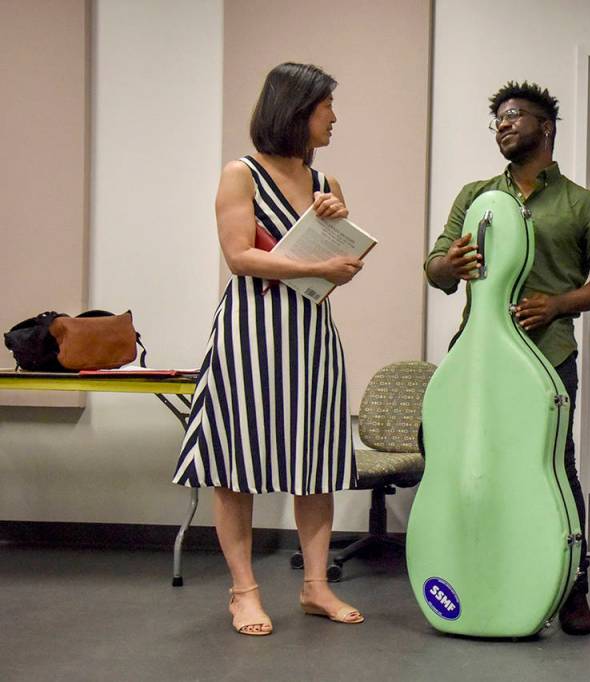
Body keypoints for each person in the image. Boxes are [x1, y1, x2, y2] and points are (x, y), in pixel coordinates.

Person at [424, 81, 590, 635]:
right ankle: (487, 570)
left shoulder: (582, 204)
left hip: (548, 359)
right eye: (496, 119)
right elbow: (435, 269)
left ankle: (572, 589)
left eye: (514, 116)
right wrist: (452, 263)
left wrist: (560, 303)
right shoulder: (475, 197)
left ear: (547, 127)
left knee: (553, 468)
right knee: (465, 460)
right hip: (477, 358)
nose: (503, 125)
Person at [172, 63, 365, 636]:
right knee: (237, 465)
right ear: (297, 110)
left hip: (311, 336)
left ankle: (314, 588)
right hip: (250, 332)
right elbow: (239, 256)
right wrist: (319, 263)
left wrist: (340, 238)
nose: (334, 117)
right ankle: (244, 592)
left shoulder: (327, 183)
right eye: (326, 106)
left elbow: (337, 266)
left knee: (316, 465)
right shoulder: (241, 173)